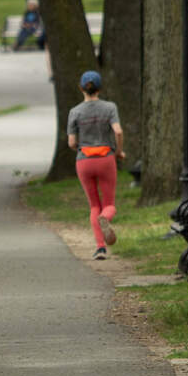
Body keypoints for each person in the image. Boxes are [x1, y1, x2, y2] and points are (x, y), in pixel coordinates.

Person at [67, 69, 125, 260]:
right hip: (105, 158)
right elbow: (117, 131)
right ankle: (105, 219)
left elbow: (71, 143)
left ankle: (100, 247)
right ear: (100, 88)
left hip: (84, 160)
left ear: (81, 88)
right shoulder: (109, 107)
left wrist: (80, 148)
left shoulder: (75, 111)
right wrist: (118, 151)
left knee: (94, 206)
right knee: (109, 204)